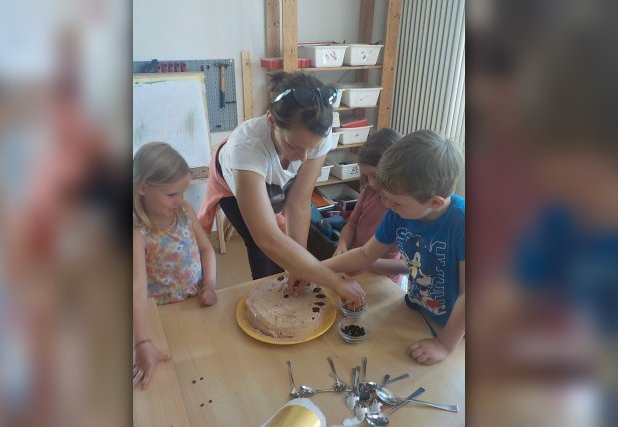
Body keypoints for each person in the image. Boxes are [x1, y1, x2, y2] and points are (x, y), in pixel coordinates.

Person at [197, 72, 365, 306]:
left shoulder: (317, 135)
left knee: (291, 252)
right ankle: (264, 302)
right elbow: (267, 238)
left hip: (271, 177)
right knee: (260, 248)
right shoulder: (247, 147)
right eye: (294, 146)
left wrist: (300, 266)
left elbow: (298, 204)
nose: (304, 157)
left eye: (311, 148)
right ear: (271, 121)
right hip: (230, 182)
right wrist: (334, 282)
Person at [315, 130, 465, 365]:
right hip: (418, 308)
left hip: (455, 328)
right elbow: (365, 254)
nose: (387, 206)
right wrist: (314, 270)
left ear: (435, 202)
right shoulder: (399, 211)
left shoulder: (464, 223)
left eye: (395, 202)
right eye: (386, 198)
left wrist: (445, 344)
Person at [132, 142, 217, 389]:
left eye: (183, 192)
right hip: (161, 314)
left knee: (207, 367)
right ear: (143, 188)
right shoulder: (138, 233)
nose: (180, 200)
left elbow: (206, 250)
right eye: (172, 194)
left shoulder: (185, 211)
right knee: (175, 380)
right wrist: (142, 343)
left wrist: (210, 284)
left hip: (195, 302)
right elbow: (136, 287)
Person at [332, 128, 406, 284]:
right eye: (366, 175)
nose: (371, 182)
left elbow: (407, 265)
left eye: (375, 175)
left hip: (384, 278)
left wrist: (369, 262)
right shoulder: (369, 191)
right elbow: (351, 224)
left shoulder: (405, 209)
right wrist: (342, 244)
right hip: (358, 266)